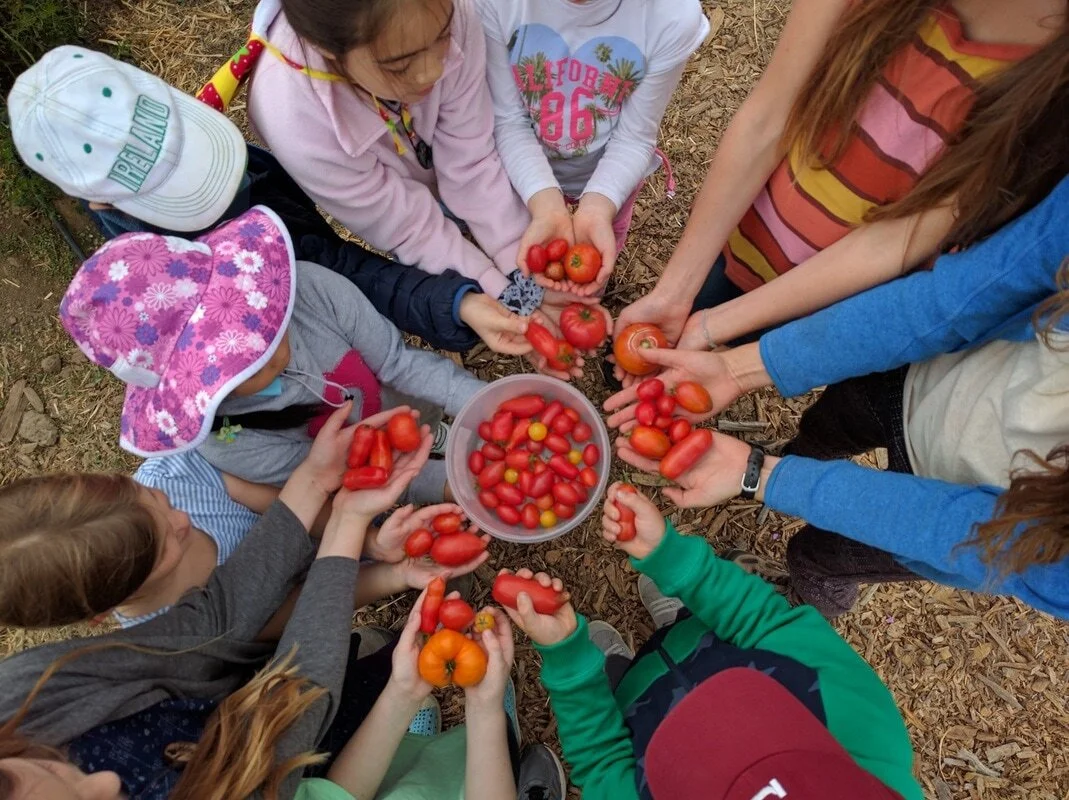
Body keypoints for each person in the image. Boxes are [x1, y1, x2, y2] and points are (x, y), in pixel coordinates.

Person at [0, 406, 564, 799]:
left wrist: (328, 500)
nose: (106, 783)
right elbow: (286, 718)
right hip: (292, 732)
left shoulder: (27, 691)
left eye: (43, 771)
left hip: (288, 708)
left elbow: (212, 625)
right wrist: (355, 540)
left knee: (367, 693)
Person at [609, 174, 1069, 618]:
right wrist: (741, 375)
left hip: (944, 506)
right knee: (829, 424)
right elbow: (954, 301)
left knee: (819, 558)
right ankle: (796, 456)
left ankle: (798, 606)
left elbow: (958, 530)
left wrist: (764, 477)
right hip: (923, 374)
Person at [614, 0, 1067, 377]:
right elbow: (767, 121)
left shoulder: (1052, 91)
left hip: (838, 289)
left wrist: (716, 330)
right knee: (713, 289)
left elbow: (900, 239)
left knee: (747, 335)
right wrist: (675, 293)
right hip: (752, 222)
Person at [8, 45, 530, 355]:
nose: (223, 185)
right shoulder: (172, 293)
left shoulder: (254, 183)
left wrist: (457, 303)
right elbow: (330, 274)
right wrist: (451, 305)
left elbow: (326, 261)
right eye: (179, 192)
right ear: (101, 206)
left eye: (195, 152)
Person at [499, 484, 922, 799]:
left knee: (618, 687)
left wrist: (571, 662)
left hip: (638, 709)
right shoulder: (870, 737)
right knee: (699, 620)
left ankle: (619, 673)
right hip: (714, 641)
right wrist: (677, 563)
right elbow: (764, 622)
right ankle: (677, 615)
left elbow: (603, 761)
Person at [58, 205, 483, 499]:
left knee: (423, 419)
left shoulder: (310, 290)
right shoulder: (229, 442)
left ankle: (436, 432)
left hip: (405, 404)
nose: (269, 344)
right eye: (242, 360)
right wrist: (445, 485)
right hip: (371, 466)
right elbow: (344, 475)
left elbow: (399, 363)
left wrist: (481, 403)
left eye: (255, 317)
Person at [233, 0, 545, 316]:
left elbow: (472, 157)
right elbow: (408, 227)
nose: (434, 70)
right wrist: (494, 291)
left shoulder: (446, 9)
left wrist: (521, 259)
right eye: (400, 65)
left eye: (443, 37)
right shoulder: (293, 118)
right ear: (327, 48)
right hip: (390, 197)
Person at [0, 438, 487, 630]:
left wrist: (369, 540)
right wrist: (393, 575)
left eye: (151, 497)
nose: (181, 520)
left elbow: (287, 507)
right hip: (321, 585)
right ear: (104, 612)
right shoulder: (185, 631)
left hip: (328, 536)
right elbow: (298, 608)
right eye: (167, 545)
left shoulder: (172, 476)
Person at [475, 0, 709, 296]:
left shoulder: (671, 16)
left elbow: (634, 138)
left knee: (597, 256)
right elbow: (509, 121)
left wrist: (599, 207)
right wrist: (544, 202)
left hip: (612, 172)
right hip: (520, 170)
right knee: (528, 258)